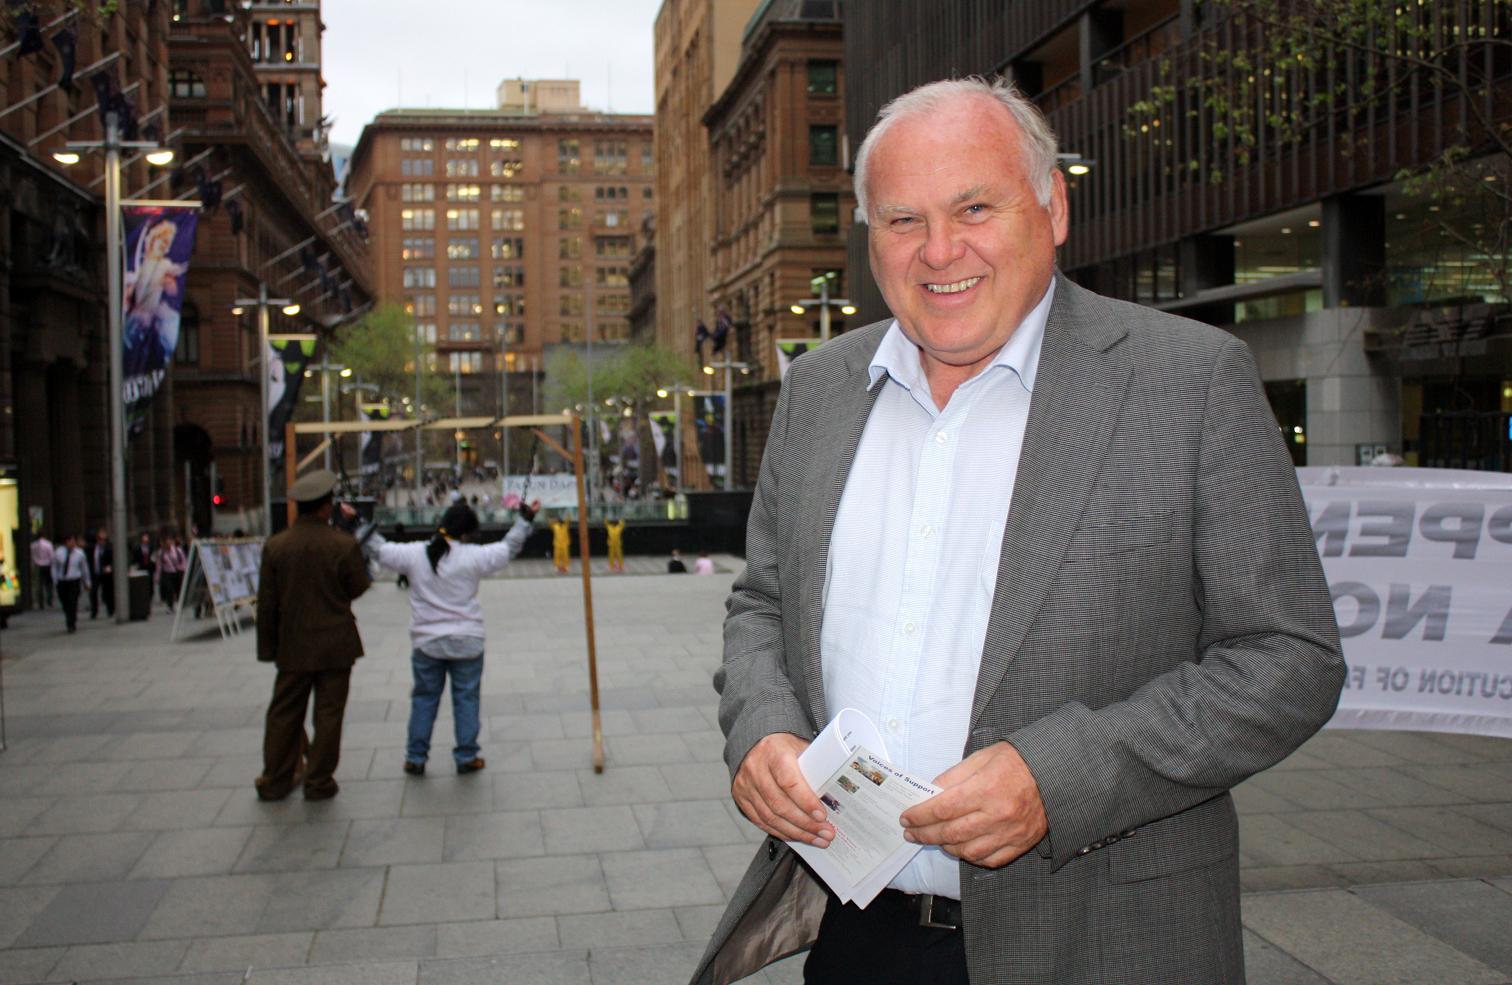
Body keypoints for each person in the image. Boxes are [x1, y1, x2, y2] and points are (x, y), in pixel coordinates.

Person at [691, 78, 1345, 985]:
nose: (939, 250)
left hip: (1104, 942)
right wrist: (762, 728)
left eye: (974, 208)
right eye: (903, 219)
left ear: (1053, 207)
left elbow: (1289, 657)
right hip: (857, 936)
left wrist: (1060, 777)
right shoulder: (819, 390)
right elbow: (762, 601)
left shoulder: (1189, 383)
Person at [360, 497, 540, 776]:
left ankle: (415, 757)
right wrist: (524, 520)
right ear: (467, 533)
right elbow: (508, 548)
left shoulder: (415, 554)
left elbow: (379, 550)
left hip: (427, 642)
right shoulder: (473, 556)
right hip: (468, 639)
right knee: (466, 699)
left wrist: (357, 523)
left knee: (424, 699)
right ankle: (466, 755)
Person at [254, 469, 372, 802]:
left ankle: (275, 779)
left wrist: (267, 649)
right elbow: (358, 587)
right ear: (325, 506)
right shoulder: (343, 544)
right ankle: (319, 780)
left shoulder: (276, 546)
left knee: (284, 713)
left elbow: (267, 604)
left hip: (292, 645)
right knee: (328, 714)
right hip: (336, 644)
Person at [50, 532, 90, 634]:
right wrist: (55, 580)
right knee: (65, 602)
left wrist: (87, 581)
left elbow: (84, 568)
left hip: (74, 580)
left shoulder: (79, 553)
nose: (72, 543)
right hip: (63, 581)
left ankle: (71, 623)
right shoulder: (58, 553)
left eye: (73, 541)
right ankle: (69, 616)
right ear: (66, 542)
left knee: (73, 601)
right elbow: (54, 567)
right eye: (70, 541)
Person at [88, 526, 114, 619]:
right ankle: (94, 611)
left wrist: (109, 567)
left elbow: (113, 559)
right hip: (96, 573)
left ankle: (110, 610)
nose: (101, 541)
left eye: (103, 539)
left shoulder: (109, 548)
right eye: (99, 539)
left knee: (108, 592)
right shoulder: (92, 548)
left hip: (106, 574)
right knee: (93, 592)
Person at [156, 534, 186, 611]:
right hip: (167, 573)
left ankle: (179, 603)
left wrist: (184, 570)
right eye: (166, 542)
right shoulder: (161, 553)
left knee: (178, 588)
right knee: (169, 589)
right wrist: (157, 577)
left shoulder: (178, 550)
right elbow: (159, 565)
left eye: (169, 541)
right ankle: (170, 606)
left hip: (177, 572)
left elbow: (183, 561)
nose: (168, 543)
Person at [29, 531, 53, 608]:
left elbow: (32, 556)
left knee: (39, 584)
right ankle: (49, 599)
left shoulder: (33, 545)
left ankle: (40, 601)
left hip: (37, 565)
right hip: (47, 565)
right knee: (48, 584)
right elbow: (51, 556)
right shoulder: (48, 544)